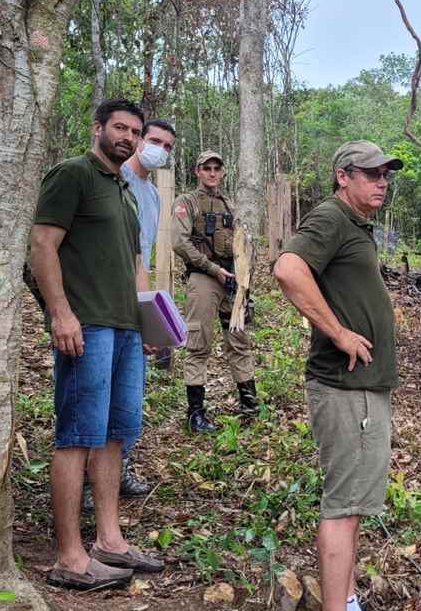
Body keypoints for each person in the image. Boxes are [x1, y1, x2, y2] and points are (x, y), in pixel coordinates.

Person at [30, 99, 163, 590]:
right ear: (99, 129)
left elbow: (134, 263)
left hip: (127, 329)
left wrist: (150, 323)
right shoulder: (73, 174)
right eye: (120, 128)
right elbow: (43, 243)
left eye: (135, 131)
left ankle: (109, 539)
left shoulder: (124, 189)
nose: (128, 137)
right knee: (77, 435)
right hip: (87, 325)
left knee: (114, 433)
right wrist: (60, 312)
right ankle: (69, 555)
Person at [273, 140, 403, 611]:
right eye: (370, 173)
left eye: (385, 174)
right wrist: (339, 332)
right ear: (342, 176)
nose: (381, 182)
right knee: (344, 507)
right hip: (346, 386)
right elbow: (288, 269)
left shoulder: (355, 224)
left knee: (354, 505)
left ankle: (346, 599)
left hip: (364, 388)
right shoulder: (331, 217)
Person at [171, 151, 257, 430]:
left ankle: (250, 405)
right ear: (197, 171)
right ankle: (195, 414)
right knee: (198, 345)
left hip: (232, 279)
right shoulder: (187, 202)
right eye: (206, 168)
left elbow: (241, 242)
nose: (211, 173)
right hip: (204, 278)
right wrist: (212, 269)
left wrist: (243, 282)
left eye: (216, 169)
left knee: (239, 341)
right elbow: (180, 243)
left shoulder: (228, 204)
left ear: (222, 172)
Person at [116, 119, 177, 496]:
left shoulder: (153, 195)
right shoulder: (113, 177)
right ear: (139, 140)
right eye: (155, 141)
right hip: (104, 301)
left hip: (135, 299)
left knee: (130, 398)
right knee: (101, 397)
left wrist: (149, 318)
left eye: (168, 146)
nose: (160, 150)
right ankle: (91, 481)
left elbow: (144, 258)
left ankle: (118, 468)